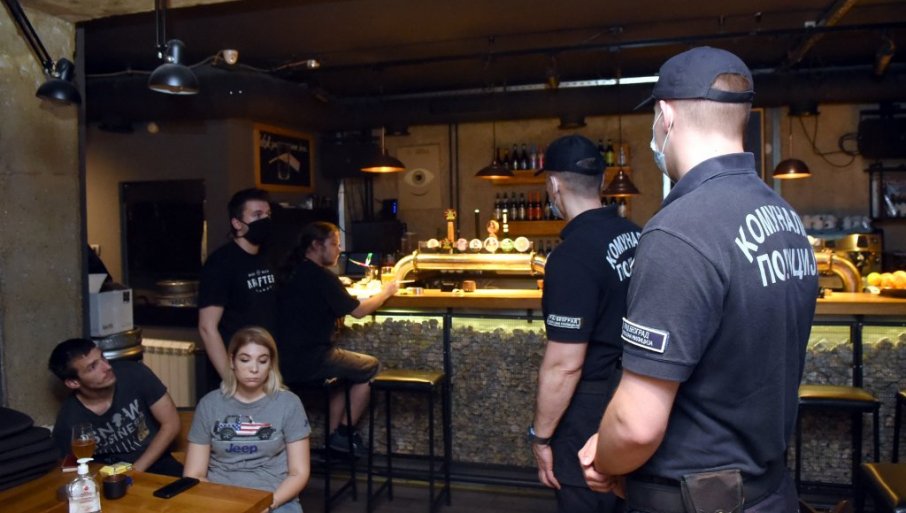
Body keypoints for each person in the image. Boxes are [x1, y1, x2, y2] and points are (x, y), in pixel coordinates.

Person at [578, 46, 819, 512]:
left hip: (700, 500)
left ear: (665, 116)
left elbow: (635, 427)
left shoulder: (678, 231)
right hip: (769, 493)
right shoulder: (784, 217)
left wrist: (604, 459)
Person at [530, 135, 639, 513]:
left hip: (588, 412)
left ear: (553, 185)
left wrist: (541, 437)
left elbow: (564, 365)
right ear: (602, 181)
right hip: (634, 402)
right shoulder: (636, 234)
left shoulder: (571, 256)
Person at [277, 221, 398, 456]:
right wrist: (385, 293)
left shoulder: (289, 272)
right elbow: (358, 311)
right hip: (312, 359)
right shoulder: (323, 278)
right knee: (370, 367)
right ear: (316, 245)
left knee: (345, 376)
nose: (339, 250)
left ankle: (333, 439)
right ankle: (343, 433)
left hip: (281, 360)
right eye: (334, 244)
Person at [184, 327, 311, 513]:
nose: (254, 369)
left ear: (271, 364)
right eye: (245, 360)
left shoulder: (289, 403)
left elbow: (298, 473)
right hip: (220, 497)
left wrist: (268, 504)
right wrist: (224, 504)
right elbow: (194, 473)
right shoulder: (209, 404)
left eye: (262, 361)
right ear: (232, 361)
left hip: (275, 498)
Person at [48, 338, 183, 476]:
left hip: (155, 460)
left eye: (102, 357)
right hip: (106, 474)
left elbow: (171, 423)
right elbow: (65, 465)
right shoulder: (69, 418)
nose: (107, 367)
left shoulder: (134, 374)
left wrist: (135, 471)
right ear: (73, 382)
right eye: (93, 367)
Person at [198, 188, 277, 390]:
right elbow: (207, 327)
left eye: (267, 214)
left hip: (266, 365)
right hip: (237, 369)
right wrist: (230, 379)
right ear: (237, 223)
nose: (264, 220)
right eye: (257, 215)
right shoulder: (220, 264)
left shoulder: (267, 256)